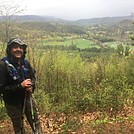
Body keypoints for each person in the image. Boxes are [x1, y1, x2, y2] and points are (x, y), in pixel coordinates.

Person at [0, 38, 43, 134]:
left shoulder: (25, 63)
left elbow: (32, 76)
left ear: (23, 50)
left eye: (20, 47)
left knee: (35, 121)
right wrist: (20, 86)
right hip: (12, 102)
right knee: (19, 126)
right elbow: (2, 88)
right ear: (10, 50)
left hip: (27, 97)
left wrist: (32, 85)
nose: (18, 49)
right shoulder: (3, 65)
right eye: (15, 47)